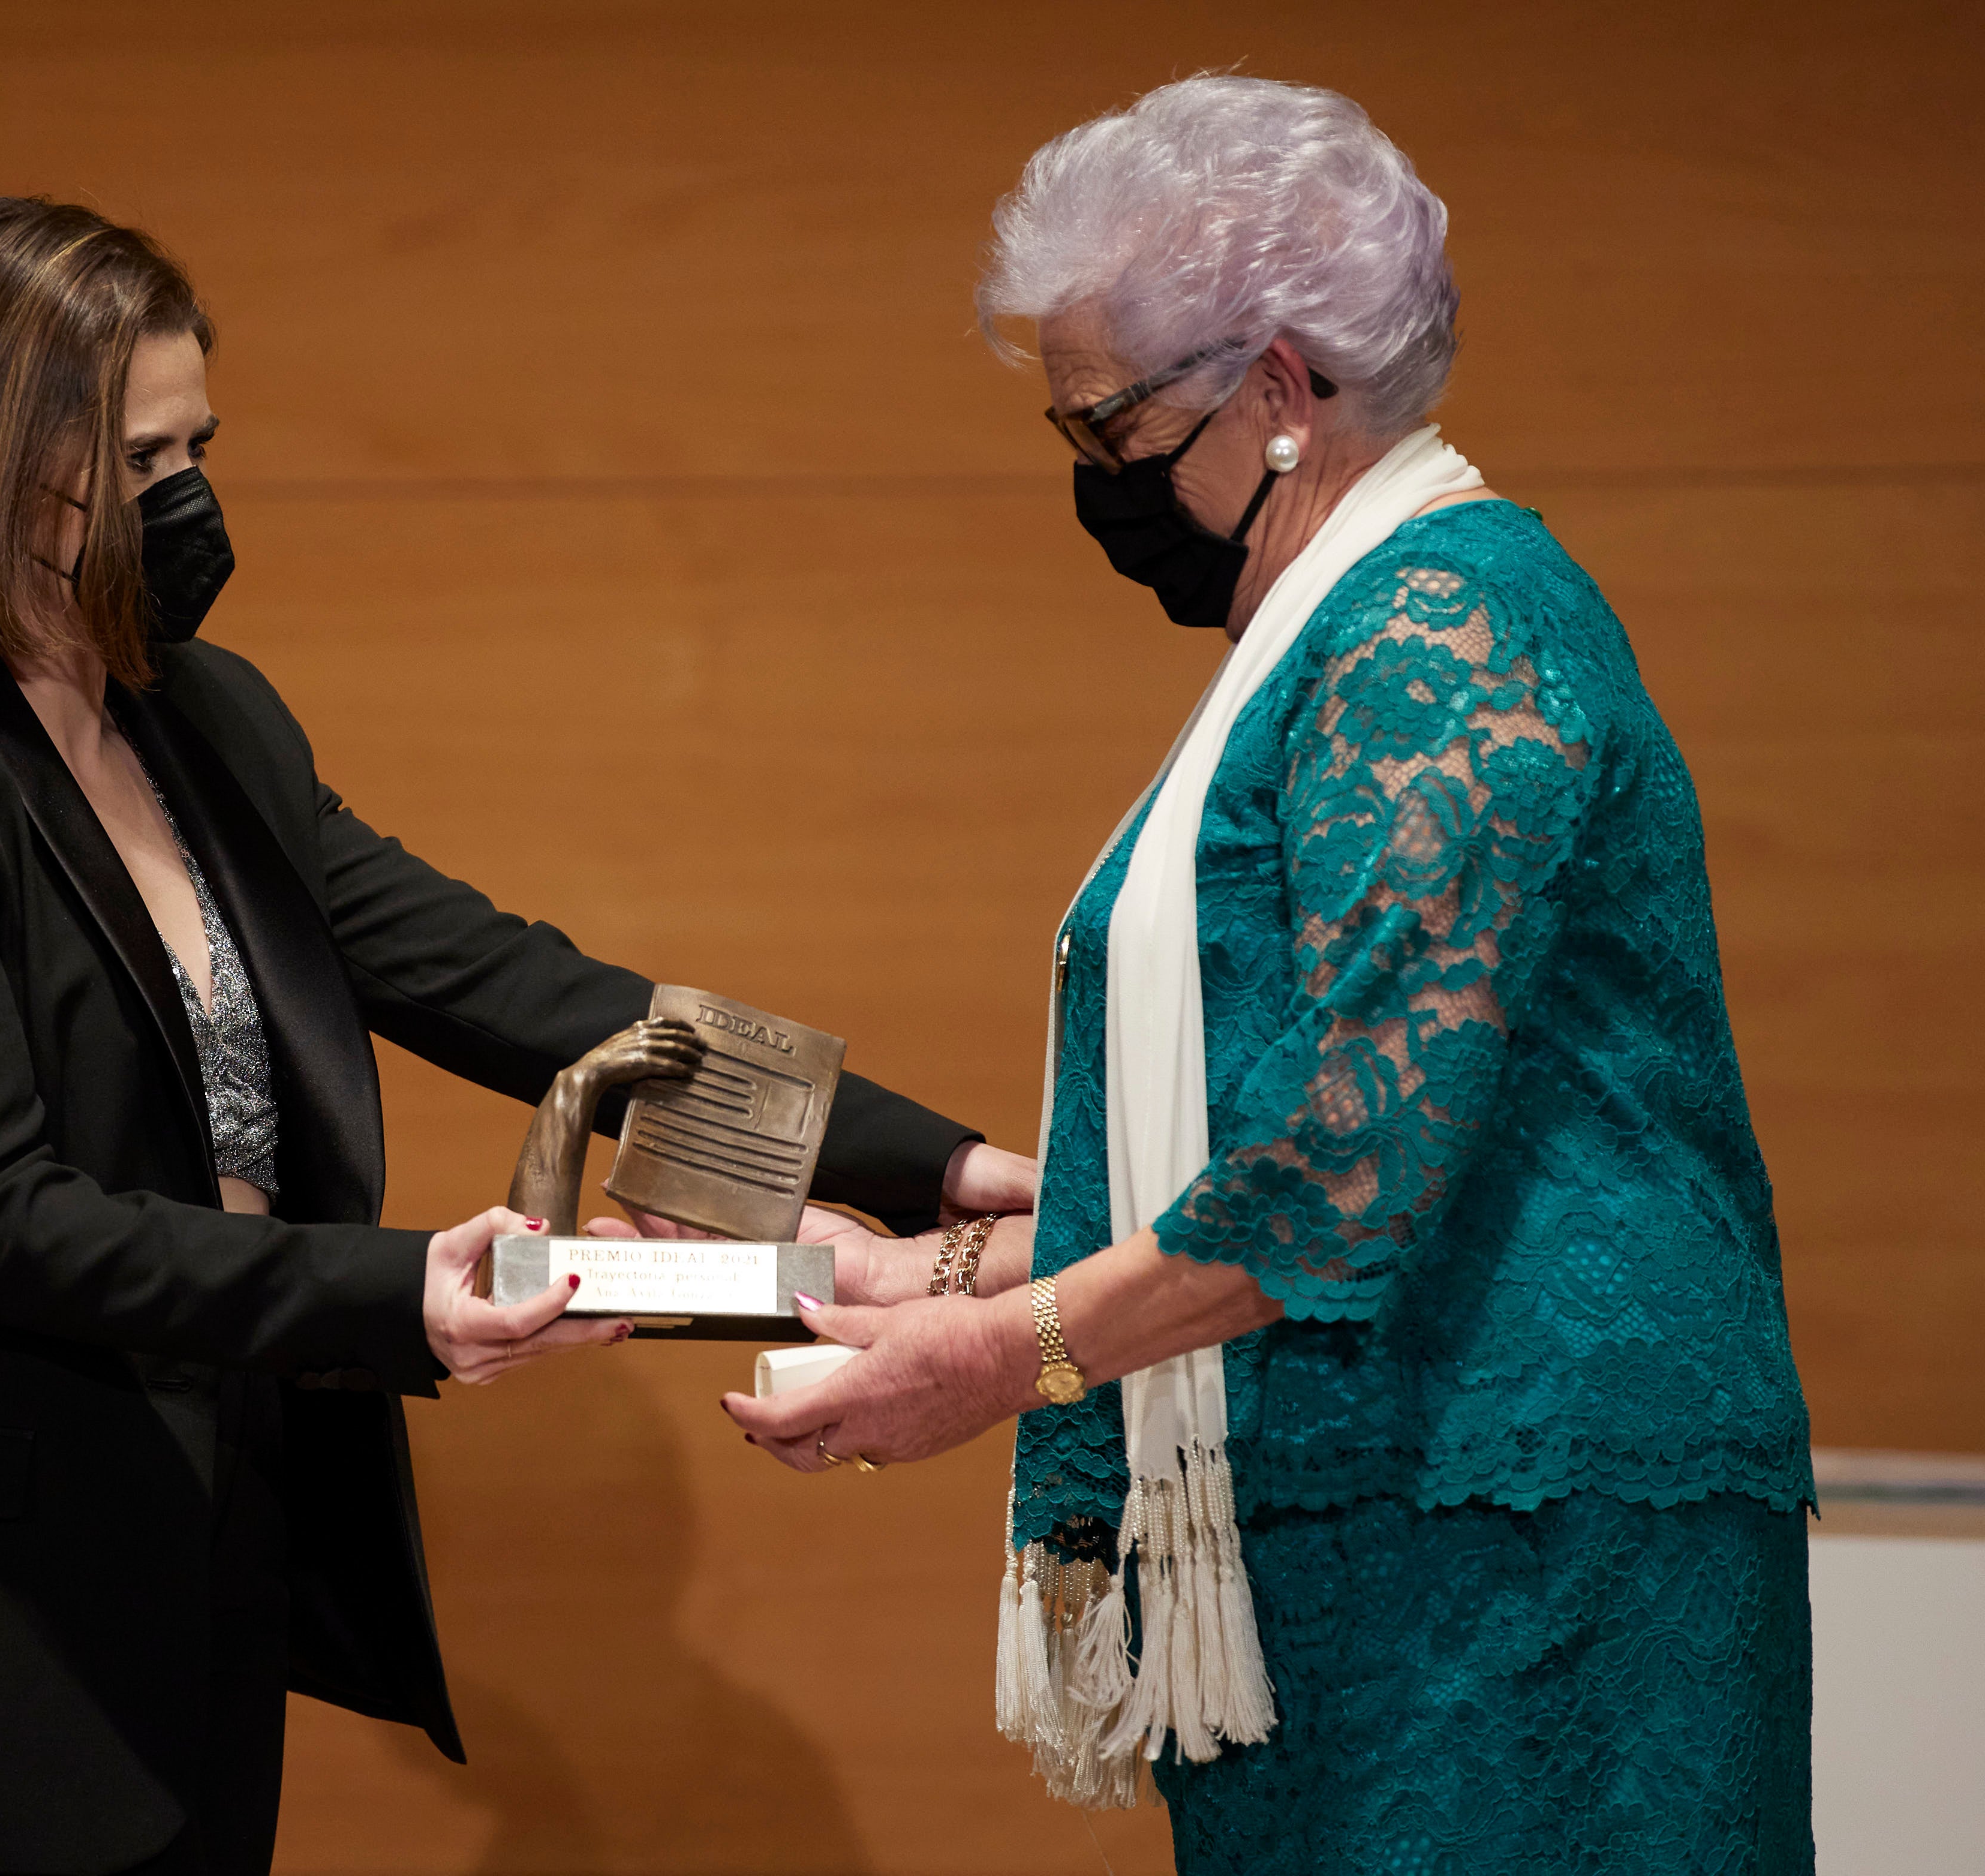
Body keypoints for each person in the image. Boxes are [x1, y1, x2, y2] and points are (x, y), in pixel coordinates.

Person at [0, 196, 1035, 1876]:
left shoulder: (210, 721)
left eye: (203, 444)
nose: (187, 498)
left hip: (213, 1534)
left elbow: (513, 986)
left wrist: (952, 1166)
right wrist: (401, 1289)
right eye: (141, 458)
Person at [724, 76, 1814, 1872]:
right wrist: (911, 1269)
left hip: (1518, 1536)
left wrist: (995, 1356)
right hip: (1381, 1521)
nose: (1093, 483)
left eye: (1109, 428)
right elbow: (1229, 1150)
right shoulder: (1340, 633)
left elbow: (1345, 1176)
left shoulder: (1440, 631)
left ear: (1282, 392)